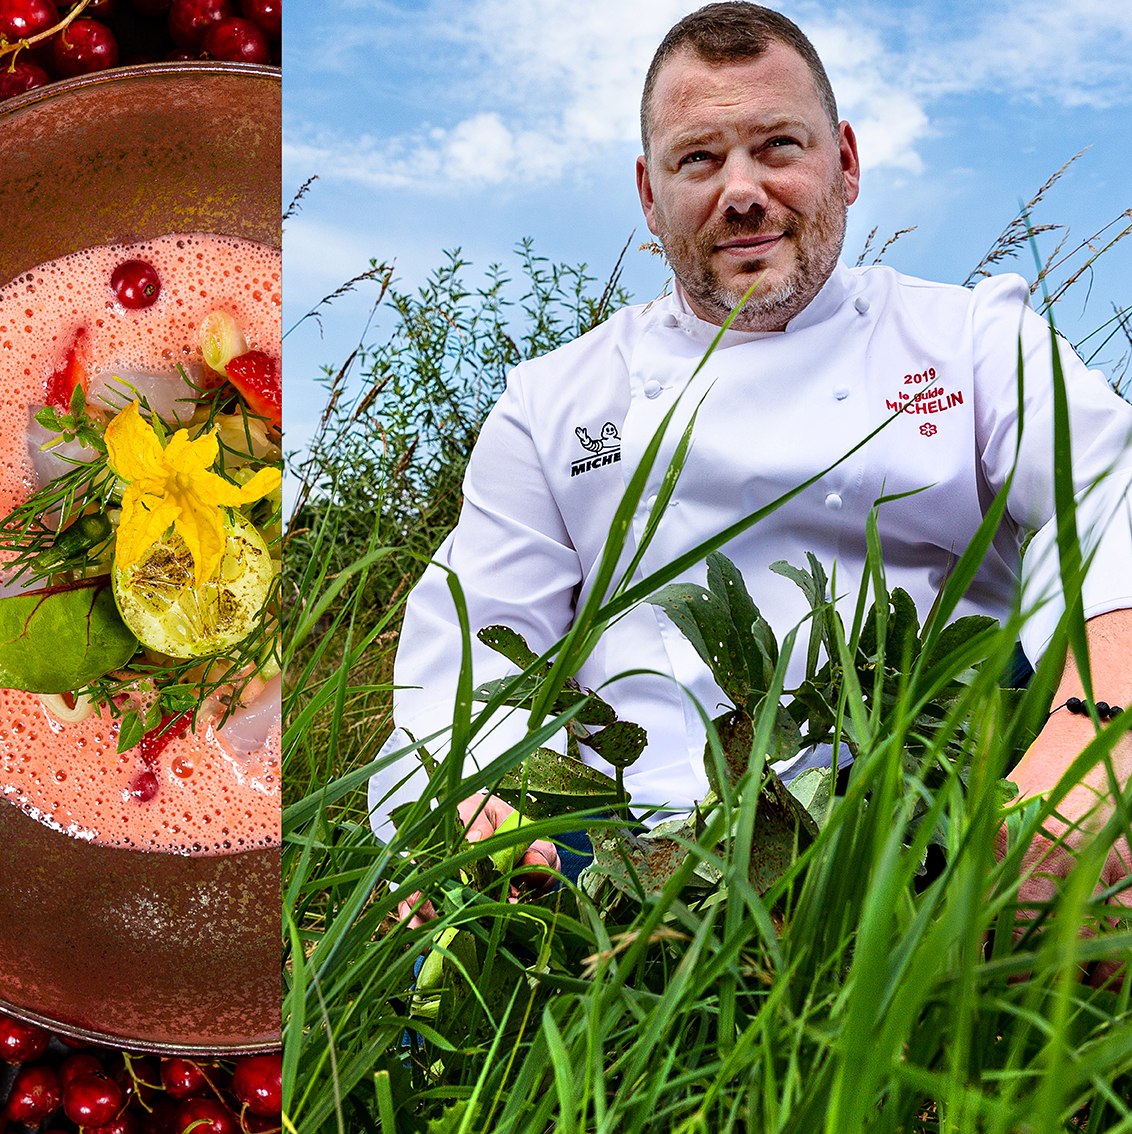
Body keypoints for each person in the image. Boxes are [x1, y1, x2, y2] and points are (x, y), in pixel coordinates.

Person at [370, 2, 1132, 919]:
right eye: (698, 159)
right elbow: (469, 653)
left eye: (776, 147)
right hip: (640, 848)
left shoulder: (971, 340)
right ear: (649, 195)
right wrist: (467, 810)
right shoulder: (551, 404)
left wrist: (1087, 757)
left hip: (946, 786)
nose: (741, 192)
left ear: (842, 162)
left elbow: (1107, 508)